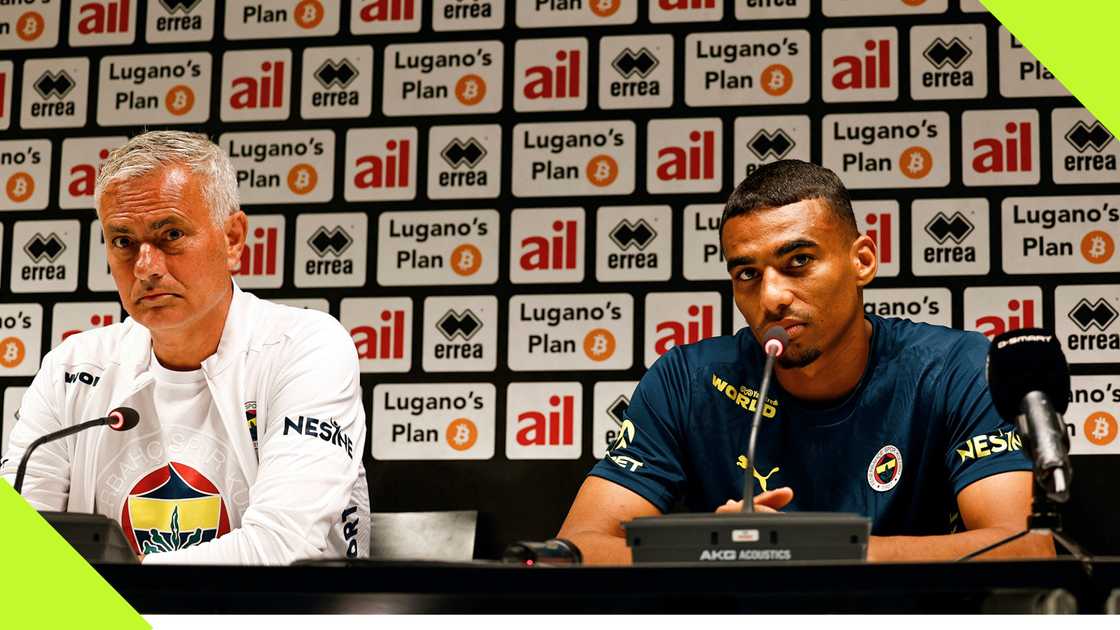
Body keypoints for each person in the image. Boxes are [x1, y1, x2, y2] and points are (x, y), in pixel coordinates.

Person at [557, 160, 1054, 564]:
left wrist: (822, 551)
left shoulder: (956, 367)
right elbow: (574, 547)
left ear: (862, 261)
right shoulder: (686, 379)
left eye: (798, 261)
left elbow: (1026, 547)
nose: (771, 297)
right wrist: (715, 551)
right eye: (748, 273)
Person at [0, 131, 370, 565]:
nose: (146, 266)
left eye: (171, 234)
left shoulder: (305, 348)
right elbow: (17, 547)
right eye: (123, 241)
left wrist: (117, 591)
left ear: (233, 239)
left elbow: (281, 549)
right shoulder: (72, 367)